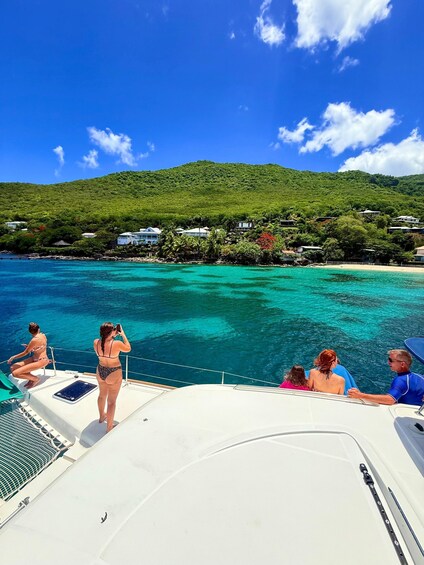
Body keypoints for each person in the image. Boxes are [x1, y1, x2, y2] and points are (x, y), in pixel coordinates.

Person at [348, 349, 424, 406]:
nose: (388, 362)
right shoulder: (420, 376)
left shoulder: (401, 380)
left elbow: (390, 400)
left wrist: (360, 395)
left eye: (391, 360)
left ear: (402, 364)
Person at [94, 322, 131, 433]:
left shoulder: (96, 342)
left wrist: (113, 334)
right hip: (113, 372)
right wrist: (122, 334)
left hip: (100, 370)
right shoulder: (117, 344)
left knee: (102, 395)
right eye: (114, 329)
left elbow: (105, 343)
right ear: (111, 332)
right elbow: (128, 348)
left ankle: (102, 417)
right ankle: (109, 428)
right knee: (111, 402)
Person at [7, 322, 50, 389]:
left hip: (41, 361)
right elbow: (40, 347)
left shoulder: (34, 340)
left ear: (30, 332)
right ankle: (30, 378)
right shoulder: (43, 335)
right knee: (13, 367)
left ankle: (36, 379)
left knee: (15, 373)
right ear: (39, 329)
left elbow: (25, 353)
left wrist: (13, 357)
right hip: (35, 358)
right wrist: (29, 347)